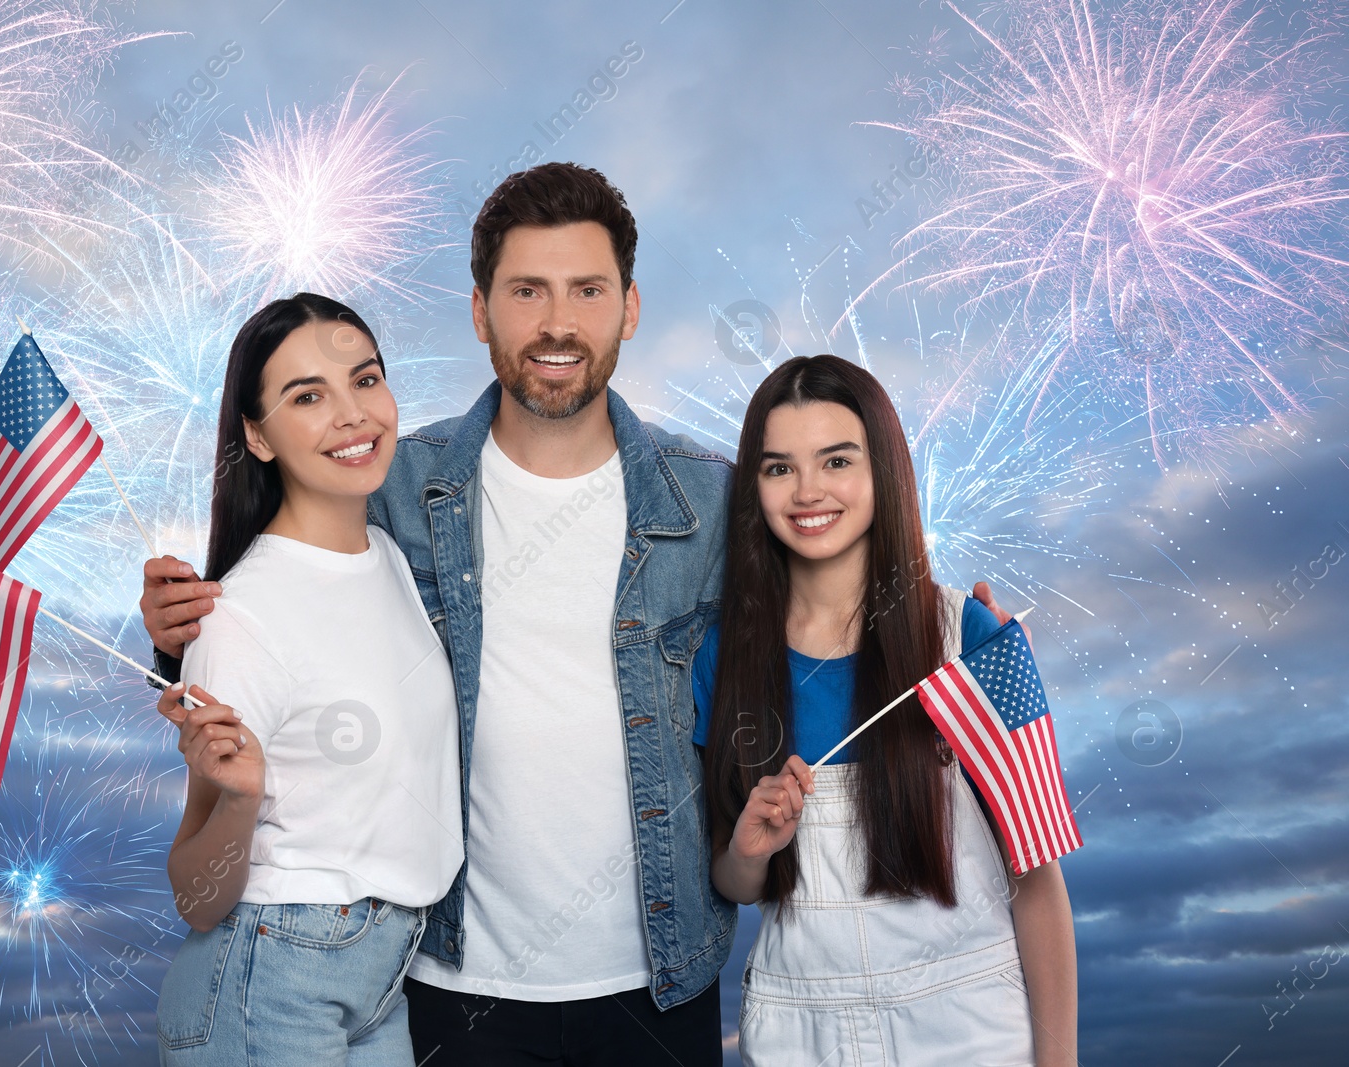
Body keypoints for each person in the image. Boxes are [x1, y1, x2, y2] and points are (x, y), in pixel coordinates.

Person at [141, 163, 1025, 1066]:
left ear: (628, 309)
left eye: (587, 290)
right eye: (527, 291)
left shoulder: (711, 500)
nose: (557, 322)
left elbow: (828, 562)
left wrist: (942, 611)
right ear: (482, 312)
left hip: (659, 983)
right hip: (451, 987)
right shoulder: (394, 481)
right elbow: (291, 573)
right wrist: (185, 621)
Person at [697, 355, 1079, 1066]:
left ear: (884, 469)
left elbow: (1037, 882)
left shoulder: (971, 641)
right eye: (779, 467)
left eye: (835, 460)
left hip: (969, 1026)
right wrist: (751, 850)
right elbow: (735, 881)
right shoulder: (726, 657)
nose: (808, 491)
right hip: (797, 1029)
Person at [153, 293, 463, 1067]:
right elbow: (197, 893)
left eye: (366, 379)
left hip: (380, 979)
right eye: (308, 396)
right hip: (269, 979)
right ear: (257, 436)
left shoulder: (390, 559)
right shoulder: (239, 616)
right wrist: (241, 796)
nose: (352, 414)